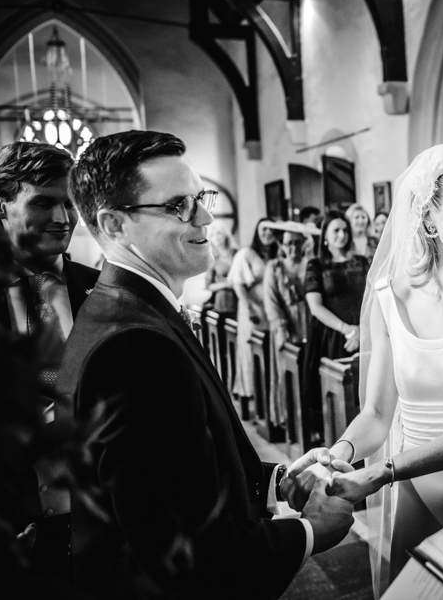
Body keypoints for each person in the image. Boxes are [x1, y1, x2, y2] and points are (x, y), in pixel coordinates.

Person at [57, 130, 354, 600]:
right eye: (179, 205)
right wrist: (312, 532)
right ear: (114, 225)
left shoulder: (129, 309)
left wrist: (278, 480)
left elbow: (175, 478)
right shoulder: (132, 348)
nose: (206, 216)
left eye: (200, 198)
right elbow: (191, 554)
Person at [287, 131, 443, 594]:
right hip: (418, 497)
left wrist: (382, 472)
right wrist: (338, 454)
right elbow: (378, 413)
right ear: (428, 215)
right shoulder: (389, 297)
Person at [0, 141, 100, 580]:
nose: (64, 218)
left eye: (70, 203)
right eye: (44, 203)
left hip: (100, 520)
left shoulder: (103, 293)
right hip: (8, 523)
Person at [302, 210, 371, 448]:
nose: (341, 235)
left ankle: (362, 444)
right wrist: (347, 330)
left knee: (364, 393)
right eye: (336, 231)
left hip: (362, 333)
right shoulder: (316, 265)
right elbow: (315, 306)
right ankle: (336, 444)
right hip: (331, 335)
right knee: (335, 394)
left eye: (345, 230)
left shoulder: (360, 261)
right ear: (325, 237)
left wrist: (360, 330)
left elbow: (371, 299)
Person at [263, 224, 311, 432]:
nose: (293, 247)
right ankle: (290, 422)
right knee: (287, 377)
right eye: (289, 243)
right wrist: (283, 331)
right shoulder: (274, 268)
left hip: (309, 326)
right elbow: (272, 303)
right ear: (282, 246)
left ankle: (311, 425)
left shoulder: (310, 264)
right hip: (287, 330)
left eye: (297, 243)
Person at [228, 218, 278, 409]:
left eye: (270, 230)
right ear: (257, 231)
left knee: (269, 351)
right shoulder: (246, 254)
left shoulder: (274, 254)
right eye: (263, 229)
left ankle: (270, 395)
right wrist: (249, 308)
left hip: (271, 308)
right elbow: (237, 283)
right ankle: (254, 394)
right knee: (252, 350)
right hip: (253, 309)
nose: (267, 233)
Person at [203, 221, 237, 315]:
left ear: (225, 234)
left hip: (240, 297)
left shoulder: (236, 253)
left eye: (218, 233)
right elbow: (208, 286)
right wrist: (227, 284)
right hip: (223, 301)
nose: (216, 237)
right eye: (212, 235)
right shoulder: (212, 259)